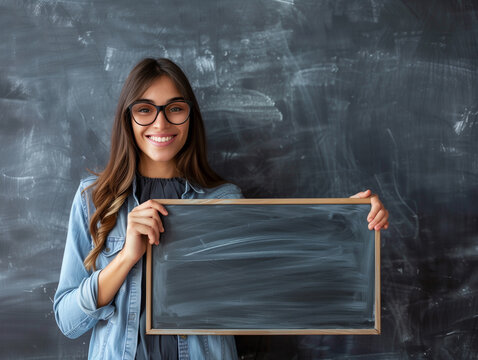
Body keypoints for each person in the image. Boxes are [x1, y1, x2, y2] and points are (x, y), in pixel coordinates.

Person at [54, 57, 389, 360]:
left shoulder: (223, 200)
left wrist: (352, 223)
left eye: (175, 108)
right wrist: (127, 256)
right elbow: (68, 322)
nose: (160, 123)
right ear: (128, 119)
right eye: (145, 109)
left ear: (190, 117)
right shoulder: (94, 198)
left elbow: (277, 282)